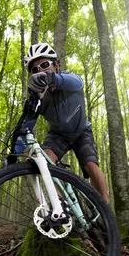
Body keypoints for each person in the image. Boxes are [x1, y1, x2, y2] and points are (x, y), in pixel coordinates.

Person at [12, 42, 109, 203]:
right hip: (58, 135)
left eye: (44, 65)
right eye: (35, 70)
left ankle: (105, 206)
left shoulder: (70, 80)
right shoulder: (40, 98)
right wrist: (14, 153)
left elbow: (78, 83)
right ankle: (60, 204)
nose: (40, 71)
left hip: (81, 131)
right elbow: (26, 126)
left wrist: (51, 78)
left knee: (90, 164)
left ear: (57, 65)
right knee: (45, 159)